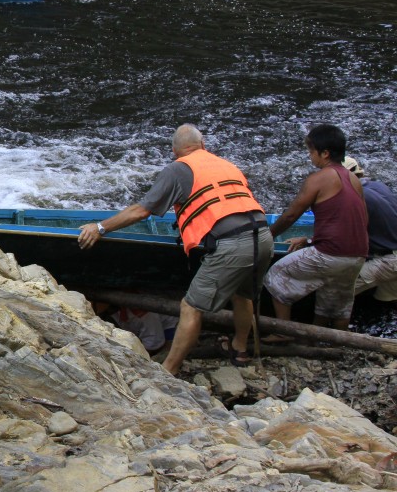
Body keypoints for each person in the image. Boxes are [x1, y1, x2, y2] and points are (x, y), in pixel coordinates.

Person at [78, 124, 273, 375]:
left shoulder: (178, 169)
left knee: (190, 307)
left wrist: (100, 227)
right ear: (204, 145)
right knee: (243, 296)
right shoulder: (226, 164)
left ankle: (169, 370)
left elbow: (142, 210)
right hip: (263, 235)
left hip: (233, 244)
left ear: (174, 151)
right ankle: (240, 350)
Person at [264, 124, 368, 335]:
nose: (310, 157)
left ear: (325, 153)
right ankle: (336, 344)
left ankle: (283, 333)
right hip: (357, 255)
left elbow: (291, 215)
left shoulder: (319, 178)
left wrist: (268, 235)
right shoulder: (354, 180)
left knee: (276, 275)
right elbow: (359, 221)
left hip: (330, 254)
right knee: (336, 302)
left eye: (312, 152)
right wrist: (311, 240)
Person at [342, 157, 397, 302]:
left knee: (338, 291)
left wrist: (310, 242)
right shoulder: (378, 185)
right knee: (387, 299)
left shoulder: (356, 198)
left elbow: (345, 238)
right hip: (391, 253)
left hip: (390, 260)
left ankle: (329, 323)